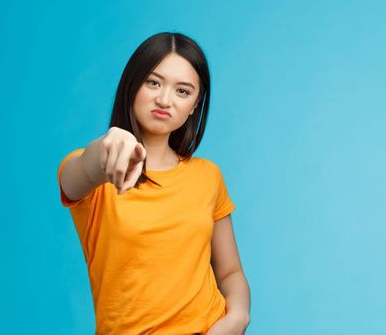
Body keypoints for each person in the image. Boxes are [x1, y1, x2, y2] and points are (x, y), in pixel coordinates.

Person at [57, 32, 251, 334]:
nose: (164, 99)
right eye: (153, 82)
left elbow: (230, 271)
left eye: (183, 91)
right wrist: (108, 148)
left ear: (195, 105)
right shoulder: (96, 175)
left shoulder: (208, 176)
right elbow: (79, 174)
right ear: (132, 85)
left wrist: (238, 317)